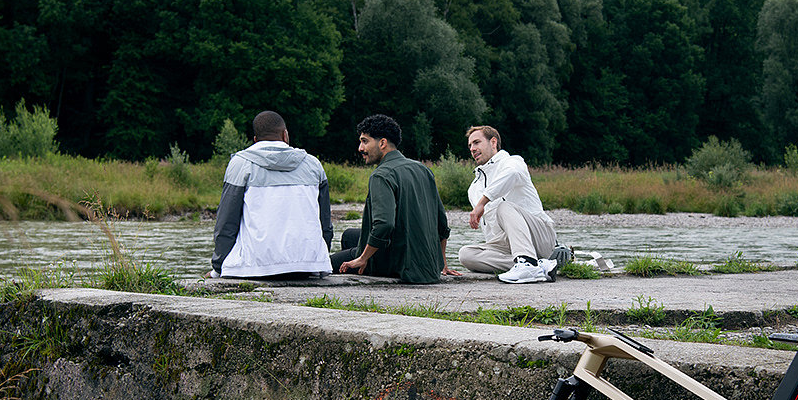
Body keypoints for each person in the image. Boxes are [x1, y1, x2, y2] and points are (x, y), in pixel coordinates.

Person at [331, 114, 455, 284]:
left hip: (401, 266)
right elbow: (442, 224)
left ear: (382, 143)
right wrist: (441, 263)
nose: (360, 148)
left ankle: (364, 265)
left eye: (365, 141)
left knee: (327, 265)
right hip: (427, 265)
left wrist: (362, 258)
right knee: (349, 235)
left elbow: (384, 225)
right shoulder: (423, 170)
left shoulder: (381, 175)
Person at [211, 111, 332, 278]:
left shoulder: (240, 164)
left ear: (255, 140)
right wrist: (319, 260)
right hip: (308, 265)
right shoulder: (313, 164)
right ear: (285, 135)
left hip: (255, 266)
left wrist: (218, 267)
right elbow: (325, 223)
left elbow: (226, 223)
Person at [458, 125, 562, 283]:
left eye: (477, 142)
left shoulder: (513, 162)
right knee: (466, 254)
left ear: (493, 142)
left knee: (503, 207)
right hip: (507, 245)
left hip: (538, 235)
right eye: (470, 145)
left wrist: (483, 202)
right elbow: (489, 230)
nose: (472, 148)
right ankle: (538, 265)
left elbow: (511, 174)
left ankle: (527, 262)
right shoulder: (473, 188)